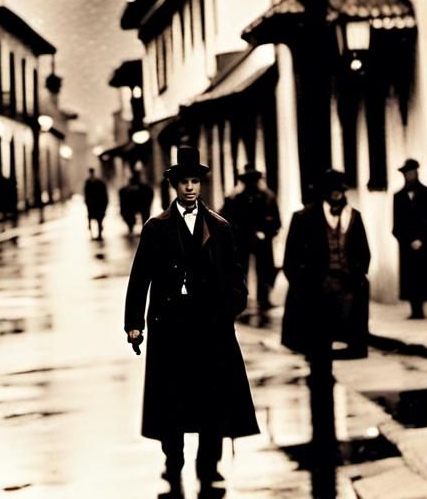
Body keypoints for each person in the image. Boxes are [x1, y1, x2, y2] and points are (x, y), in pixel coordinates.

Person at [124, 145, 259, 494]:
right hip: (170, 326)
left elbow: (236, 277)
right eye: (183, 181)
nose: (189, 188)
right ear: (174, 185)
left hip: (210, 327)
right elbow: (140, 277)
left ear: (202, 185)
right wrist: (134, 322)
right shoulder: (156, 228)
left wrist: (229, 310)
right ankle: (173, 461)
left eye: (195, 181)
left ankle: (210, 466)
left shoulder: (220, 227)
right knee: (171, 399)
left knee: (212, 398)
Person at [281, 168, 370, 360]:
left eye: (340, 189)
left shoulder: (354, 216)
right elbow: (290, 259)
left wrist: (358, 273)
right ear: (325, 191)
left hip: (347, 285)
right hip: (318, 286)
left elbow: (364, 251)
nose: (337, 193)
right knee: (318, 344)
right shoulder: (304, 218)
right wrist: (301, 284)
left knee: (347, 328)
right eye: (332, 189)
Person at [221, 167, 281, 311]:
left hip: (261, 239)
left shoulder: (267, 197)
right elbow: (226, 218)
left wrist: (266, 232)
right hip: (242, 239)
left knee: (265, 269)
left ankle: (263, 298)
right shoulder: (236, 198)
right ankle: (241, 298)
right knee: (240, 269)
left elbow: (276, 221)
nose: (252, 185)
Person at [392, 158, 427, 319]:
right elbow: (396, 225)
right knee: (410, 278)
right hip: (407, 244)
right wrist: (408, 240)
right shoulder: (399, 197)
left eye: (411, 173)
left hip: (425, 243)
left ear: (417, 173)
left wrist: (422, 239)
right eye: (406, 174)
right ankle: (415, 309)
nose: (409, 176)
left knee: (425, 275)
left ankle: (426, 306)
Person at [83, 167, 109, 240]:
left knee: (99, 219)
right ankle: (94, 234)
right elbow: (86, 194)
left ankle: (99, 234)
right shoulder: (89, 182)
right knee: (93, 219)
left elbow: (103, 193)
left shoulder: (98, 182)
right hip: (92, 205)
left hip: (98, 204)